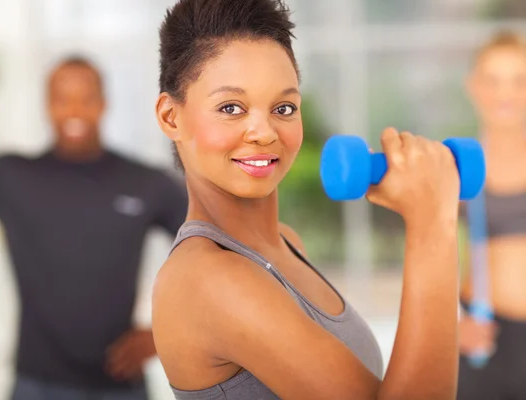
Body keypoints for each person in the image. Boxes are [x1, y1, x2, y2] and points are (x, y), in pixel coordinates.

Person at [151, 0, 462, 399]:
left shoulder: (286, 242)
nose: (263, 133)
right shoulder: (207, 278)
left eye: (284, 107)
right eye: (231, 108)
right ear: (170, 116)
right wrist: (431, 223)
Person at [0, 56, 188, 399]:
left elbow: (215, 252)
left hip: (120, 386)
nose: (75, 110)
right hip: (36, 385)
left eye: (86, 98)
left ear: (104, 104)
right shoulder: (11, 176)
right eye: (63, 99)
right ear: (48, 106)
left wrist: (165, 335)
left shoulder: (146, 182)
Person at [458, 31, 526, 400]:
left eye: (519, 81)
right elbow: (425, 260)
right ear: (474, 87)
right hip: (484, 343)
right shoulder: (457, 170)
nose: (506, 94)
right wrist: (451, 328)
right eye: (494, 80)